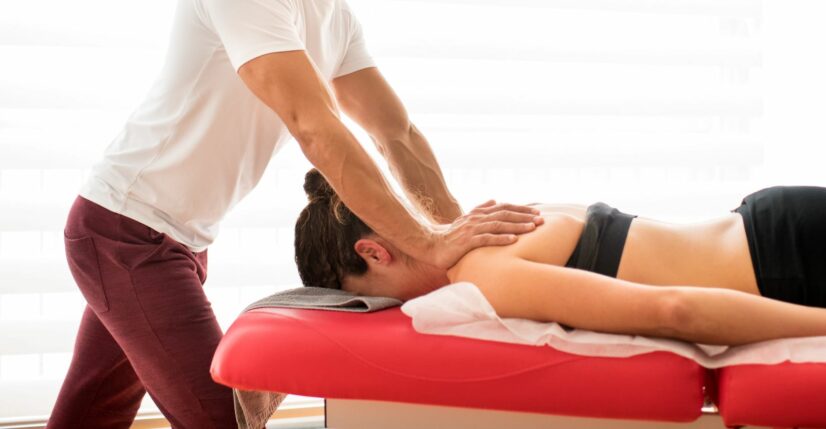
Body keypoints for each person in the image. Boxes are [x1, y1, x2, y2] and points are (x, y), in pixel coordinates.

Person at [50, 1, 541, 428]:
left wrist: (453, 233)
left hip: (177, 237)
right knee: (223, 419)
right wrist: (430, 244)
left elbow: (396, 133)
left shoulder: (334, 16)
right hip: (126, 230)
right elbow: (314, 126)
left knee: (91, 410)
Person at [295, 168, 826, 346]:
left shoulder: (479, 269)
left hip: (798, 255)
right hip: (785, 236)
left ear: (373, 250)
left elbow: (671, 308)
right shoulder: (488, 222)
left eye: (373, 292)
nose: (394, 308)